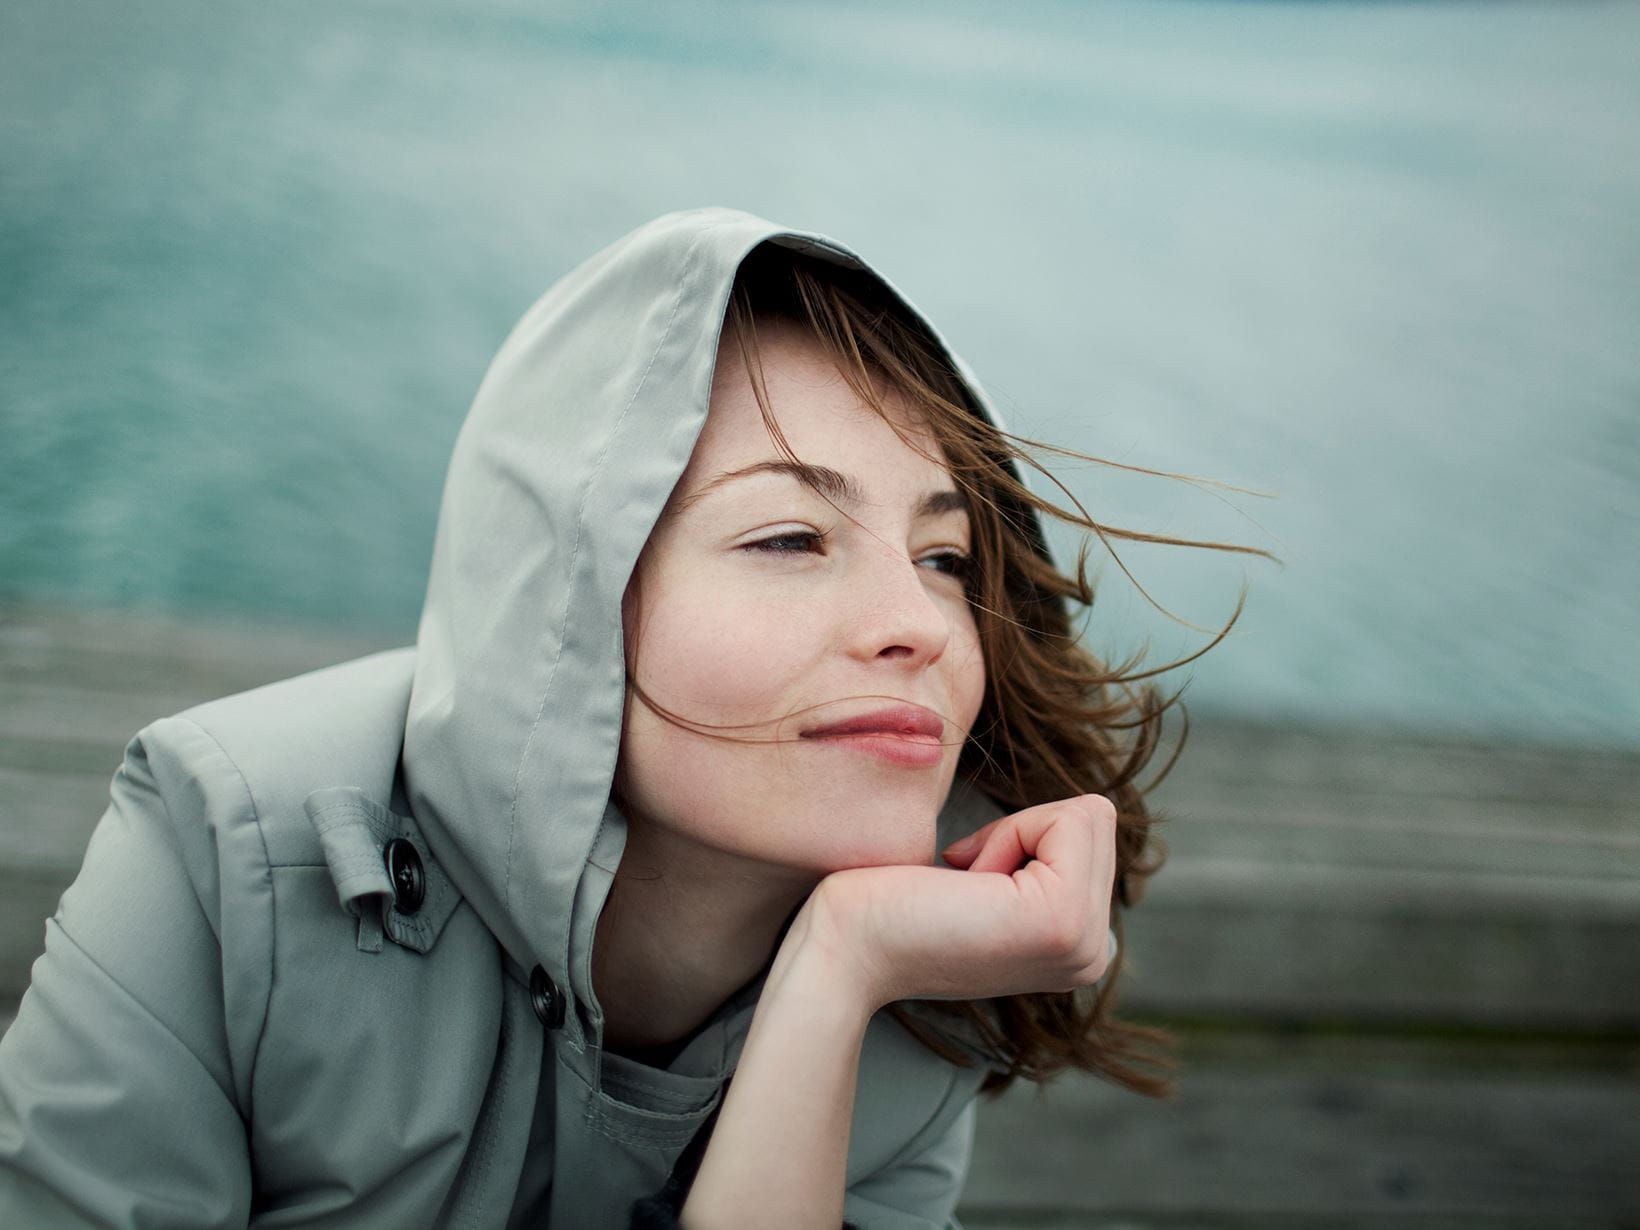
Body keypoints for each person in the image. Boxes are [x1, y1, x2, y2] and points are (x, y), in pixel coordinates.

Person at [0, 207, 1248, 1227]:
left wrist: (837, 977)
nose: (917, 623)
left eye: (942, 557)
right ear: (565, 595)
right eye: (789, 536)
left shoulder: (925, 984)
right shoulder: (228, 847)